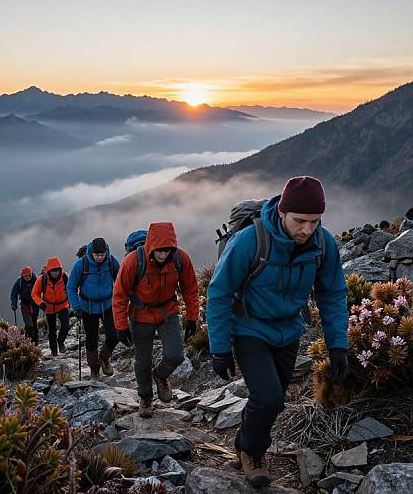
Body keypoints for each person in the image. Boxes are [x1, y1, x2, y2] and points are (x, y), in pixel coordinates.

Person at [207, 176, 349, 487]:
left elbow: (333, 293)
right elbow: (219, 292)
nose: (307, 230)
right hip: (249, 329)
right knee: (269, 398)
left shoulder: (322, 244)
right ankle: (254, 453)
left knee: (275, 398)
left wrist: (338, 345)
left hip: (288, 330)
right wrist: (218, 348)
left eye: (315, 221)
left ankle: (244, 440)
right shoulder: (249, 241)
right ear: (282, 212)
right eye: (300, 221)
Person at [113, 222, 199, 418]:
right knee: (143, 360)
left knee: (176, 355)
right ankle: (145, 398)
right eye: (159, 251)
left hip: (168, 311)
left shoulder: (180, 259)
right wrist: (121, 326)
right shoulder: (133, 261)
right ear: (151, 246)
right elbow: (119, 295)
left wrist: (192, 318)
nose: (163, 254)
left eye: (167, 250)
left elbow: (190, 289)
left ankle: (160, 375)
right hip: (140, 315)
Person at [67, 237, 120, 381]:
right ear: (91, 252)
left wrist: (122, 301)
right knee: (91, 341)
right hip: (87, 307)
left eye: (102, 254)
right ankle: (94, 369)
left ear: (106, 252)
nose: (99, 257)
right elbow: (71, 287)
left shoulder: (111, 261)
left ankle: (104, 358)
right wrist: (76, 307)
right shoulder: (81, 264)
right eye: (97, 255)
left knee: (114, 337)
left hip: (108, 305)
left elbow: (121, 280)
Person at [31, 257, 70, 356]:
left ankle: (60, 342)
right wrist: (41, 303)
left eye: (57, 270)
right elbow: (34, 293)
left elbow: (71, 289)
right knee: (52, 330)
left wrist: (75, 304)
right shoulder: (42, 279)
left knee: (65, 326)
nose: (56, 273)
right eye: (53, 271)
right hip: (49, 307)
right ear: (49, 270)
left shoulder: (64, 277)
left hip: (63, 305)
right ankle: (54, 351)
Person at [10, 265, 39, 344]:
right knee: (28, 324)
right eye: (25, 276)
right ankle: (30, 340)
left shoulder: (36, 280)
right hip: (25, 305)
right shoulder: (19, 282)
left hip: (35, 304)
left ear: (31, 274)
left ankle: (35, 341)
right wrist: (14, 304)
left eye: (28, 276)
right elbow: (14, 293)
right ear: (22, 276)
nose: (27, 278)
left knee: (34, 323)